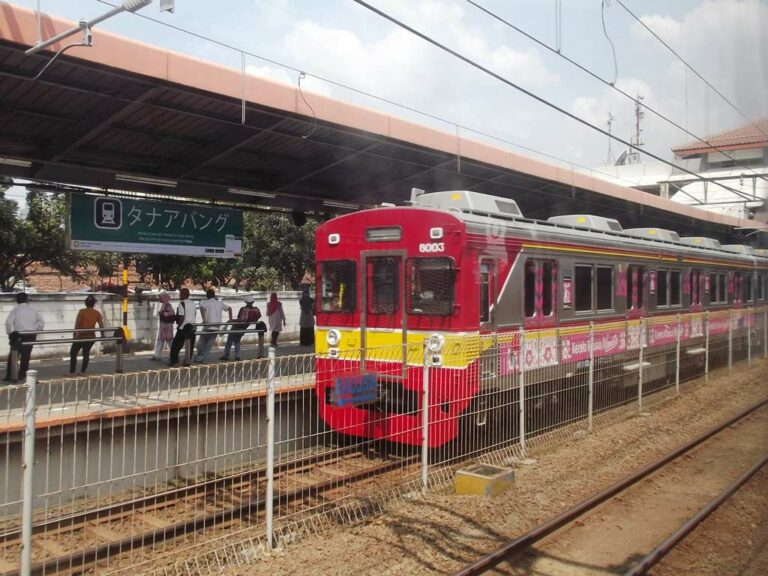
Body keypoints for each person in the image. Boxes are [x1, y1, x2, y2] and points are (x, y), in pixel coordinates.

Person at [4, 293, 45, 382]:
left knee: (13, 354)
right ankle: (22, 374)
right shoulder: (33, 310)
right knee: (26, 355)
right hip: (31, 334)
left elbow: (8, 323)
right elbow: (41, 322)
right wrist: (36, 330)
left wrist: (9, 333)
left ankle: (10, 375)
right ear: (27, 300)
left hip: (18, 334)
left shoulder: (15, 310)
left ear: (17, 301)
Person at [194, 288, 232, 363]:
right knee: (209, 345)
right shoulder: (219, 303)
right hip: (216, 326)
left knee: (201, 343)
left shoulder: (205, 302)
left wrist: (204, 320)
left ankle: (199, 356)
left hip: (207, 326)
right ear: (214, 295)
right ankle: (200, 358)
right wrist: (230, 319)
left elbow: (202, 308)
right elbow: (229, 309)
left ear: (207, 295)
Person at [69, 295, 105, 375]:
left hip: (80, 337)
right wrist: (103, 335)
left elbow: (77, 323)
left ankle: (72, 372)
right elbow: (101, 325)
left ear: (86, 303)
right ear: (93, 304)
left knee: (73, 353)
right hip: (91, 337)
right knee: (86, 353)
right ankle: (82, 371)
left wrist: (75, 334)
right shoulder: (97, 313)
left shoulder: (82, 311)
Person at [220, 294, 261, 361]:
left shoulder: (243, 309)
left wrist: (231, 321)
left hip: (236, 327)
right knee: (237, 341)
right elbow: (258, 317)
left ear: (245, 302)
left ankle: (226, 355)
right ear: (253, 302)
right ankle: (237, 356)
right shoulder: (256, 310)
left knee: (229, 341)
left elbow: (240, 319)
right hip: (244, 328)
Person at [169, 288, 195, 367]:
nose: (179, 295)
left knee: (175, 345)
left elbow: (182, 317)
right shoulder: (193, 303)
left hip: (183, 327)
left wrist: (179, 326)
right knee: (190, 346)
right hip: (192, 326)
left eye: (180, 294)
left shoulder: (181, 303)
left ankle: (174, 361)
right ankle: (187, 361)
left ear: (184, 295)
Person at [151, 292, 175, 361]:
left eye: (161, 297)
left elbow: (171, 313)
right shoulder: (163, 305)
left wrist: (163, 313)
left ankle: (172, 355)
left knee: (169, 341)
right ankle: (157, 355)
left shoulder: (168, 305)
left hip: (167, 326)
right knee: (161, 341)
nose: (160, 299)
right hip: (163, 326)